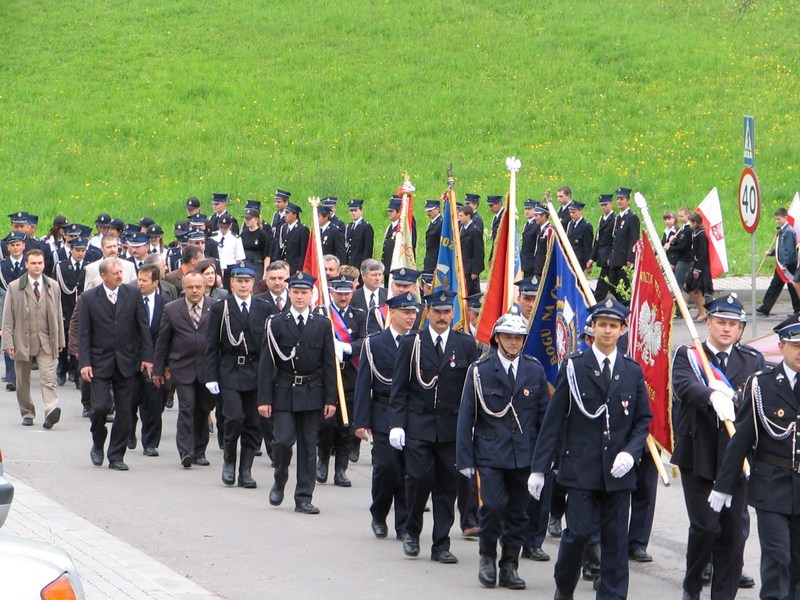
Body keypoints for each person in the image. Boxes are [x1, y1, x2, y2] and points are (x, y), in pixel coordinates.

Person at [529, 298, 651, 600]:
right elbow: (554, 421)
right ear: (592, 328)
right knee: (578, 534)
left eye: (613, 326)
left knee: (615, 541)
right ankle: (564, 588)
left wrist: (631, 452)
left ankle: (612, 595)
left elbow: (642, 420)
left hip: (618, 473)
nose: (607, 331)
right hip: (581, 470)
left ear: (622, 330)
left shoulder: (631, 371)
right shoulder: (574, 367)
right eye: (602, 325)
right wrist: (539, 469)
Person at [672, 294, 764, 600]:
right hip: (698, 452)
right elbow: (684, 386)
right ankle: (692, 585)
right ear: (708, 323)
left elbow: (758, 398)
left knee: (734, 533)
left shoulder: (751, 360)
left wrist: (734, 398)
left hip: (735, 456)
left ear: (740, 329)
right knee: (706, 527)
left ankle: (724, 594)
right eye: (721, 322)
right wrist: (711, 395)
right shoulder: (689, 355)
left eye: (733, 324)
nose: (726, 329)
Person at [456, 309, 549, 589]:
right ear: (497, 338)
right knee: (493, 507)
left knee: (519, 513)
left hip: (524, 455)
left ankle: (510, 565)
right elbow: (466, 417)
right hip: (490, 452)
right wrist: (464, 459)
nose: (513, 342)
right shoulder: (480, 370)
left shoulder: (534, 369)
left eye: (518, 338)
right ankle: (487, 556)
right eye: (508, 337)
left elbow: (543, 419)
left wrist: (544, 461)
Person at [710, 314, 800, 600]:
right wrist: (723, 485)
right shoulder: (761, 385)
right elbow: (742, 439)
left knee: (797, 563)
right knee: (777, 557)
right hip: (772, 486)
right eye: (796, 345)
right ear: (781, 346)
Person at [389, 290, 479, 564]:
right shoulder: (412, 343)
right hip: (419, 425)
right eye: (437, 311)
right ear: (427, 313)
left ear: (453, 313)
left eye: (447, 311)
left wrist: (473, 426)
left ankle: (441, 543)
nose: (442, 316)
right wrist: (397, 424)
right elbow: (399, 388)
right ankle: (412, 532)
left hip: (451, 429)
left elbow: (471, 391)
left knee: (447, 488)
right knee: (418, 480)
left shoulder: (465, 344)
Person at [259, 272, 337, 514]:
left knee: (308, 446)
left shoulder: (322, 324)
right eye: (296, 292)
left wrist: (331, 399)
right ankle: (280, 478)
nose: (300, 296)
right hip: (284, 390)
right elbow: (266, 363)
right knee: (282, 441)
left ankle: (303, 497)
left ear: (312, 295)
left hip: (312, 391)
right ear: (289, 293)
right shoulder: (276, 323)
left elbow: (329, 364)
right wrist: (264, 399)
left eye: (304, 292)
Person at [79, 257, 153, 470]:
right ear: (103, 276)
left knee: (125, 411)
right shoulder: (89, 298)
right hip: (99, 362)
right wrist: (85, 362)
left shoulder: (133, 294)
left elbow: (143, 328)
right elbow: (84, 333)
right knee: (100, 407)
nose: (121, 276)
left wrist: (147, 357)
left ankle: (116, 455)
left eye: (121, 272)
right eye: (116, 273)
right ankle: (98, 441)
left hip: (127, 362)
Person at [354, 292, 418, 539]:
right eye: (406, 312)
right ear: (393, 313)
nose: (411, 317)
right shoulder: (375, 343)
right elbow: (364, 384)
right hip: (383, 412)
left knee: (409, 471)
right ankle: (379, 513)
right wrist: (361, 421)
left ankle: (404, 524)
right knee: (387, 467)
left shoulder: (418, 342)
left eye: (413, 312)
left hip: (411, 415)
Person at [205, 266, 275, 488]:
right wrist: (211, 376)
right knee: (234, 417)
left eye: (247, 281)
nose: (243, 285)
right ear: (231, 283)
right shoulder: (221, 308)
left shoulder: (265, 308)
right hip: (230, 370)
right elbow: (211, 345)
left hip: (256, 371)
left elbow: (270, 345)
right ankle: (229, 461)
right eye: (239, 281)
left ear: (253, 283)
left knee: (253, 422)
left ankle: (245, 470)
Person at [153, 271, 216, 468]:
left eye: (198, 287)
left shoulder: (215, 307)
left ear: (205, 288)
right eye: (190, 287)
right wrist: (158, 370)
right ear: (183, 288)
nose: (194, 291)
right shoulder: (172, 309)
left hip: (207, 368)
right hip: (182, 367)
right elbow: (163, 341)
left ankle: (200, 451)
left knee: (204, 408)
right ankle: (185, 452)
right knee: (187, 407)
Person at [2, 248, 65, 428]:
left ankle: (51, 410)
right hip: (22, 340)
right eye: (33, 263)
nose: (37, 266)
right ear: (26, 264)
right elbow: (8, 317)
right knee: (23, 381)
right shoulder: (15, 286)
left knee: (48, 378)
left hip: (46, 340)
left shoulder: (52, 285)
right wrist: (8, 342)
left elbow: (58, 314)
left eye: (40, 263)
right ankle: (27, 412)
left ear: (44, 264)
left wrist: (60, 340)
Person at [316, 275, 366, 487]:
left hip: (351, 376)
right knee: (326, 424)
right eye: (339, 293)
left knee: (346, 426)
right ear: (331, 293)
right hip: (328, 376)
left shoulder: (360, 315)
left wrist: (346, 347)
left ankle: (341, 469)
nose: (343, 297)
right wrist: (329, 348)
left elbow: (365, 340)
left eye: (347, 293)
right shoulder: (322, 314)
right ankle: (323, 459)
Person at [128, 264, 168, 457]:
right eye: (139, 279)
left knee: (153, 404)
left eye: (145, 280)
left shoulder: (165, 304)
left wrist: (163, 363)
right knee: (129, 401)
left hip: (156, 361)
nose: (140, 283)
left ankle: (150, 443)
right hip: (132, 361)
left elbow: (167, 335)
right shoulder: (129, 300)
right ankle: (128, 432)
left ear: (155, 282)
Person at [54, 236, 87, 387]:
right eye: (77, 250)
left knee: (78, 342)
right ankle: (62, 368)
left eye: (83, 250)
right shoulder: (61, 267)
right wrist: (57, 311)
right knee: (64, 342)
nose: (80, 253)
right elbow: (56, 290)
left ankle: (75, 370)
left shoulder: (88, 267)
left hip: (81, 310)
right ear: (71, 250)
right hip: (66, 310)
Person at [0, 232, 30, 392]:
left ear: (23, 246)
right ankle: (11, 377)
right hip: (7, 304)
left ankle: (22, 374)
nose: (15, 248)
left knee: (25, 339)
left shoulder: (30, 263)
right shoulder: (2, 265)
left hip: (28, 304)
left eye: (18, 244)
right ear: (8, 247)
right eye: (12, 245)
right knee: (8, 336)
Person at [759, 207, 800, 315]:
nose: (777, 221)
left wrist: (785, 264)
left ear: (786, 217)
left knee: (792, 287)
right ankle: (765, 307)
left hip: (787, 265)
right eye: (776, 219)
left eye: (779, 219)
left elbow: (790, 250)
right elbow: (781, 248)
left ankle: (798, 309)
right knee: (775, 285)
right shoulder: (782, 231)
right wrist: (772, 252)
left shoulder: (789, 232)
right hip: (782, 264)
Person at [607, 188, 640, 302]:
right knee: (612, 284)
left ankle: (626, 306)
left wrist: (631, 258)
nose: (619, 201)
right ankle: (622, 304)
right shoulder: (618, 217)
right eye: (618, 199)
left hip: (625, 259)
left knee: (624, 287)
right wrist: (611, 256)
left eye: (622, 199)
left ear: (628, 200)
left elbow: (633, 239)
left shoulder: (632, 217)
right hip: (616, 258)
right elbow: (615, 239)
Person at [684, 212, 713, 322]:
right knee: (688, 286)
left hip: (701, 266)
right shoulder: (695, 233)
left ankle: (703, 312)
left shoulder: (701, 235)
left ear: (696, 223)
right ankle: (700, 308)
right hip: (695, 264)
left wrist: (698, 269)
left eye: (691, 223)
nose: (690, 225)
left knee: (697, 289)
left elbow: (702, 253)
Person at [588, 194, 615, 300]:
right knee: (608, 284)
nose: (603, 207)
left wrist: (611, 257)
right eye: (601, 205)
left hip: (609, 258)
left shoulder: (614, 219)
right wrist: (592, 258)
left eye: (605, 205)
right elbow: (597, 240)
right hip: (602, 256)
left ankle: (596, 302)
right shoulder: (601, 219)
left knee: (604, 284)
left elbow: (614, 242)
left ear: (611, 205)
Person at [458, 204, 484, 296]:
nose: (459, 218)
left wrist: (475, 271)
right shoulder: (462, 229)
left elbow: (478, 252)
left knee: (472, 293)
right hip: (464, 266)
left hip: (470, 268)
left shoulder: (474, 230)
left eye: (461, 216)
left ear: (468, 216)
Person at [240, 205, 272, 282]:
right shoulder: (243, 234)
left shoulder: (262, 234)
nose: (247, 221)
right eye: (246, 219)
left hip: (257, 266)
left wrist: (265, 273)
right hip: (245, 265)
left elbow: (267, 256)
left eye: (249, 219)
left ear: (256, 219)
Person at [276, 203, 309, 274]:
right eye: (285, 213)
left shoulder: (302, 229)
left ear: (295, 215)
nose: (285, 215)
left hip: (295, 266)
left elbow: (303, 251)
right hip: (284, 266)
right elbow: (281, 247)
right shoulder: (284, 227)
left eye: (287, 213)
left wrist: (300, 268)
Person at [345, 199, 374, 270]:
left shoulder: (366, 227)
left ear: (361, 211)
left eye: (355, 210)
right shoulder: (349, 226)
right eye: (351, 211)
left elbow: (368, 249)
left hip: (359, 264)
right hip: (349, 264)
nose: (353, 213)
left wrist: (364, 266)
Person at [566, 201, 593, 271]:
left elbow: (587, 247)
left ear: (580, 211)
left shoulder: (586, 226)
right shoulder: (570, 224)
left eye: (573, 212)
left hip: (579, 261)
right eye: (570, 212)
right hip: (570, 259)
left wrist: (588, 265)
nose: (571, 215)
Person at [520, 199, 540, 278]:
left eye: (529, 209)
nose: (527, 211)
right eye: (525, 209)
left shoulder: (537, 224)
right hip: (526, 262)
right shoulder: (527, 224)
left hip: (533, 263)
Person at [532, 205, 553, 279]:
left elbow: (549, 251)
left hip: (544, 268)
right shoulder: (541, 229)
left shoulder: (549, 230)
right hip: (538, 267)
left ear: (544, 216)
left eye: (536, 215)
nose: (534, 218)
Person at [487, 195, 505, 262]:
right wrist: (491, 257)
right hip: (497, 249)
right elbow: (495, 240)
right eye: (489, 206)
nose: (490, 208)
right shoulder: (496, 217)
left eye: (491, 205)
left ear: (499, 204)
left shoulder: (504, 216)